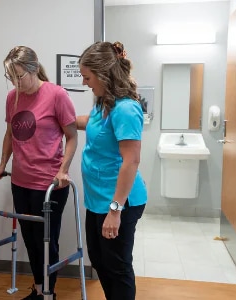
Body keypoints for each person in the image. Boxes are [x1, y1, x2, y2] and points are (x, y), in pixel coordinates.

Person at [0, 46, 78, 300]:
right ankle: (38, 290)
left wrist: (64, 170)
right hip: (21, 181)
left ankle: (49, 292)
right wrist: (2, 164)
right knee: (29, 239)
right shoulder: (12, 98)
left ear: (34, 69)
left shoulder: (56, 95)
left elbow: (72, 137)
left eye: (19, 76)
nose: (16, 83)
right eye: (11, 77)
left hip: (49, 184)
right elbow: (10, 135)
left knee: (46, 242)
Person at [75, 41, 147, 300]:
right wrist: (63, 119)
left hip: (119, 203)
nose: (85, 83)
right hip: (98, 199)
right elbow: (92, 124)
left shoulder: (126, 109)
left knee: (117, 267)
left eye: (88, 77)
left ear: (104, 74)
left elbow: (131, 161)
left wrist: (115, 211)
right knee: (99, 259)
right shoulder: (104, 103)